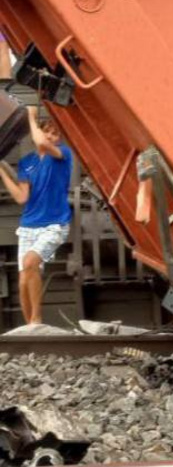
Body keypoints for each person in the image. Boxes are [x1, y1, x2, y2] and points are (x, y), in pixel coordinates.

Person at [0, 108, 72, 325]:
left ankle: (37, 320)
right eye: (47, 131)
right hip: (28, 225)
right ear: (40, 131)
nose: (50, 136)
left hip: (55, 224)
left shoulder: (62, 154)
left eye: (55, 134)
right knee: (23, 280)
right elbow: (22, 197)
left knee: (30, 262)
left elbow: (42, 144)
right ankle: (30, 325)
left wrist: (31, 116)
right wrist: (1, 171)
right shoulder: (27, 162)